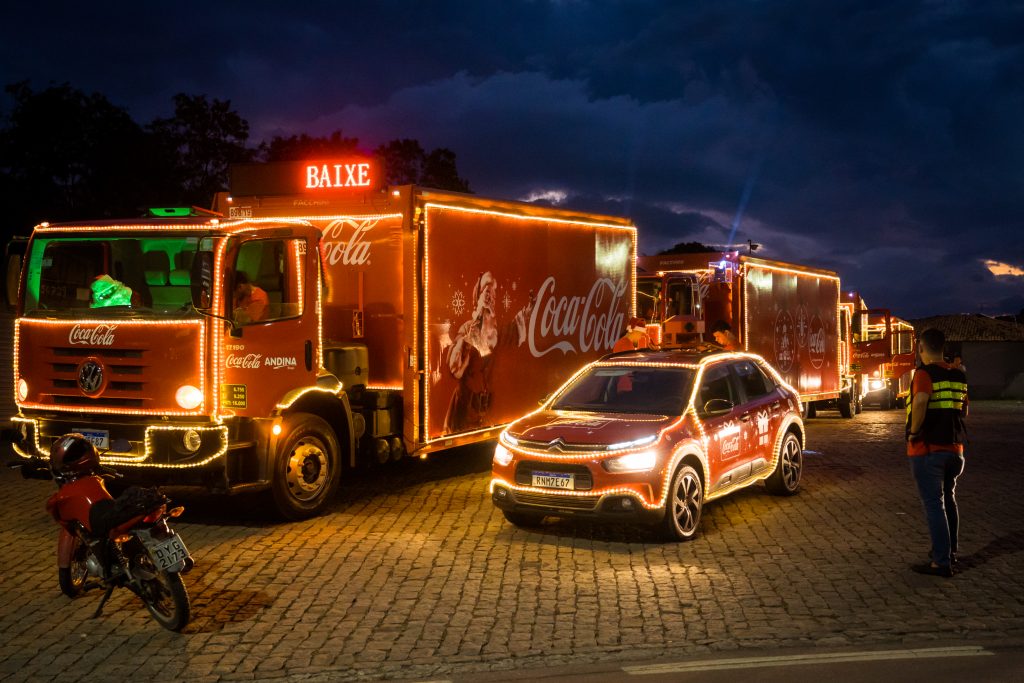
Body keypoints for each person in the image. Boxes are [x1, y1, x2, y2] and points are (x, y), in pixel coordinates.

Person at [906, 328, 968, 578]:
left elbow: (920, 402)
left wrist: (913, 431)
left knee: (934, 504)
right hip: (955, 449)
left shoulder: (924, 373)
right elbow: (963, 410)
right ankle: (950, 551)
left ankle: (941, 562)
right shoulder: (960, 376)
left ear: (922, 348)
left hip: (929, 448)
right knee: (948, 499)